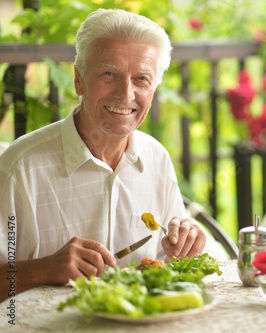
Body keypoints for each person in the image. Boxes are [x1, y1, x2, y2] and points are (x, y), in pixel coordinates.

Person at [0, 9, 222, 302]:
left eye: (141, 79)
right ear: (79, 80)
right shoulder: (19, 168)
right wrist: (42, 269)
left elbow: (168, 265)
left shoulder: (156, 159)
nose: (126, 94)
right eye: (109, 74)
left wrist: (184, 247)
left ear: (153, 88)